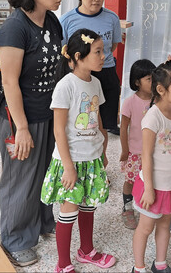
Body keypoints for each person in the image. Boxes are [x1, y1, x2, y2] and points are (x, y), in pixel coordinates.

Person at [0, 0, 64, 266]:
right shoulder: (14, 28)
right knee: (21, 177)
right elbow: (9, 81)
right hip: (20, 118)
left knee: (47, 172)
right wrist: (21, 128)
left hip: (49, 114)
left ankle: (41, 222)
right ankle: (15, 238)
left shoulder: (52, 21)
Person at [41, 28, 116, 273]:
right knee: (69, 210)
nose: (103, 55)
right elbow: (59, 131)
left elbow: (98, 122)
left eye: (103, 51)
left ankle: (86, 251)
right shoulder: (65, 86)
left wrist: (103, 150)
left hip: (92, 158)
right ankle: (62, 264)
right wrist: (69, 167)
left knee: (88, 205)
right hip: (70, 161)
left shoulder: (95, 82)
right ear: (78, 56)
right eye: (97, 51)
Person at [131, 60, 171, 273]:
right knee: (145, 228)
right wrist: (148, 188)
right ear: (161, 90)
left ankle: (160, 264)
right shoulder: (153, 117)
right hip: (154, 187)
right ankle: (138, 268)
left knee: (165, 225)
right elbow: (145, 156)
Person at [60, 0, 122, 135]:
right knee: (83, 119)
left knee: (105, 123)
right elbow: (64, 50)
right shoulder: (67, 20)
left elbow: (112, 45)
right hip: (79, 75)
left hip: (106, 71)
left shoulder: (112, 18)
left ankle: (102, 155)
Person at [119, 59, 156, 229]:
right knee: (131, 180)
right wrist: (125, 150)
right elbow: (124, 128)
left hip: (154, 151)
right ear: (137, 82)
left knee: (150, 179)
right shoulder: (130, 102)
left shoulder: (158, 101)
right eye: (149, 79)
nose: (153, 82)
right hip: (135, 151)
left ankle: (146, 206)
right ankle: (127, 208)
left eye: (154, 78)